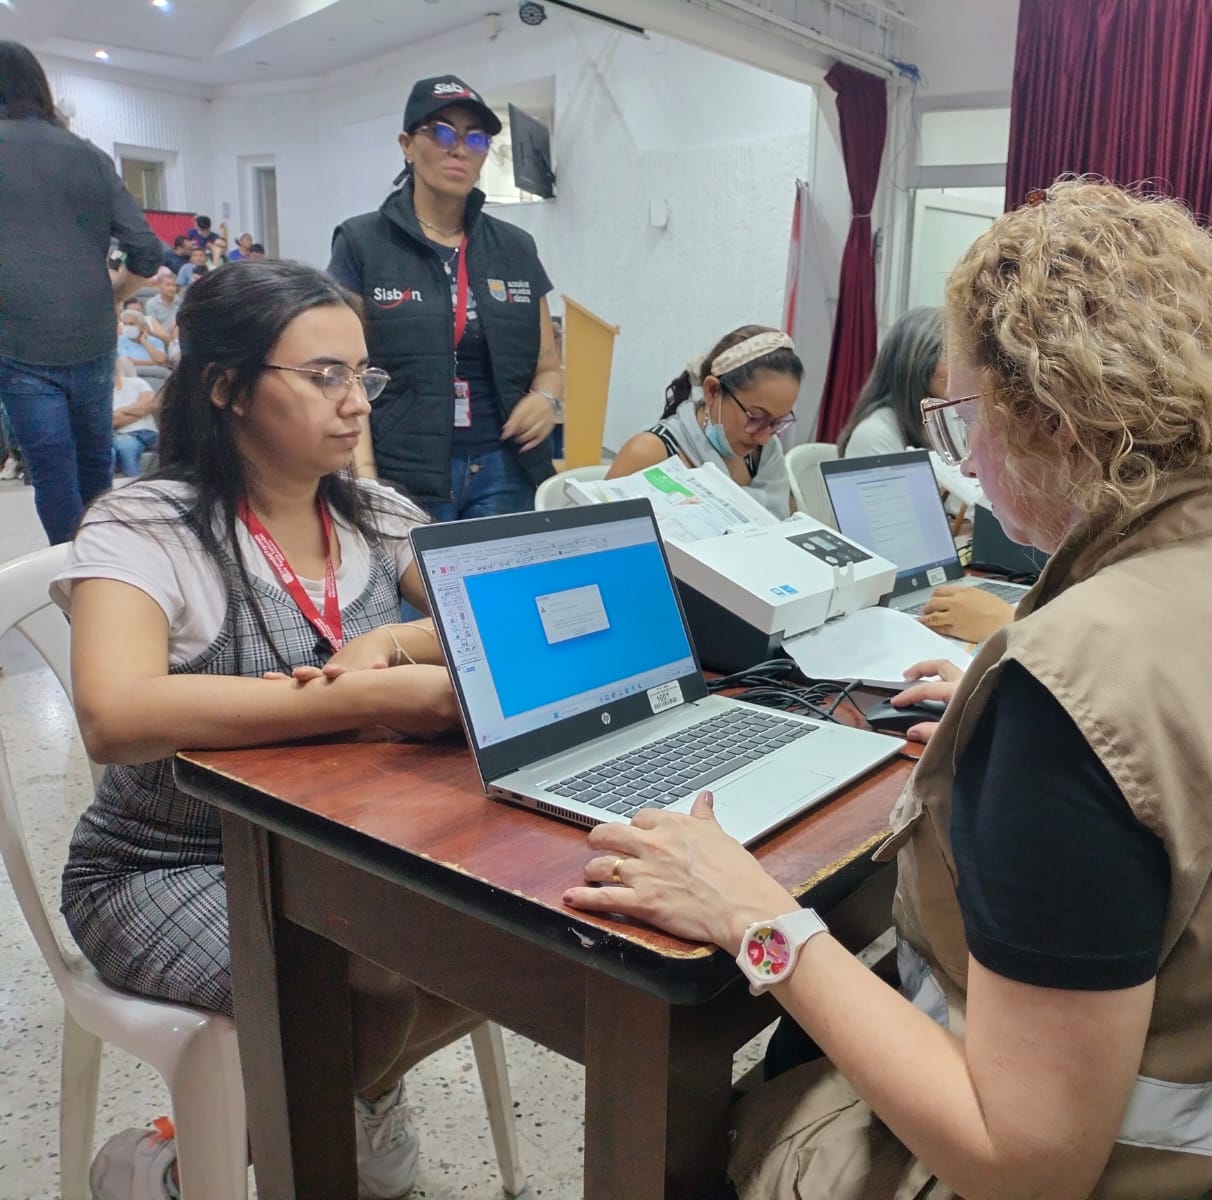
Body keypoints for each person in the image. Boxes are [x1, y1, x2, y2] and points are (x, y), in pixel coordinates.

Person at [563, 179, 1212, 1200]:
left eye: (965, 415)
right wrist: (1019, 802)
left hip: (1129, 1172)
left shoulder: (1074, 691)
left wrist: (755, 913)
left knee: (705, 1129)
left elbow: (1025, 1165)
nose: (964, 453)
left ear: (1044, 419)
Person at [55, 261, 478, 1200]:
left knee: (509, 947)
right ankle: (198, 1163)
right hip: (166, 864)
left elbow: (485, 619)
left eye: (361, 375)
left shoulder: (375, 515)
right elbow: (114, 715)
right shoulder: (145, 527)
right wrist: (360, 696)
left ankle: (330, 1108)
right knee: (372, 969)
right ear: (228, 388)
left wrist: (387, 638)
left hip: (341, 845)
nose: (354, 402)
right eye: (322, 375)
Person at [328, 74, 564, 521]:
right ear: (406, 144)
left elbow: (549, 368)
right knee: (414, 592)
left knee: (497, 591)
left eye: (475, 138)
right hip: (404, 474)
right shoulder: (361, 242)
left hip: (505, 469)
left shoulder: (515, 247)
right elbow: (344, 375)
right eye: (440, 132)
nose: (459, 148)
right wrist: (364, 476)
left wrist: (547, 401)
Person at [0, 40, 164, 543]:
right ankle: (109, 570)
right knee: (95, 466)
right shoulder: (89, 155)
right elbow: (147, 252)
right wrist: (117, 293)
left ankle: (73, 577)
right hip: (91, 334)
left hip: (19, 339)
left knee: (52, 470)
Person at [608, 325, 801, 518]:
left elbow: (778, 523)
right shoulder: (647, 453)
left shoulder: (765, 454)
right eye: (757, 418)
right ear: (712, 391)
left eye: (777, 422)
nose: (764, 438)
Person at [838, 306, 945, 458]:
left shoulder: (944, 424)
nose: (963, 369)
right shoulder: (875, 435)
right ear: (917, 363)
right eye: (950, 356)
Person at [109, 357, 159, 477]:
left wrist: (119, 412)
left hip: (149, 433)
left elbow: (152, 404)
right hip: (120, 436)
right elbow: (110, 421)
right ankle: (131, 491)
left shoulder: (137, 382)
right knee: (123, 448)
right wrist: (139, 410)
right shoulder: (98, 393)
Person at [144, 268, 182, 343]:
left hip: (178, 340)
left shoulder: (181, 303)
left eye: (174, 285)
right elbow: (152, 328)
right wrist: (167, 338)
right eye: (168, 285)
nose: (171, 288)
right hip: (158, 340)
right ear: (159, 286)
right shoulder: (151, 304)